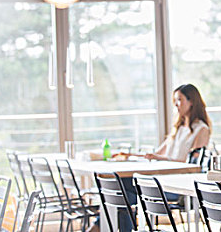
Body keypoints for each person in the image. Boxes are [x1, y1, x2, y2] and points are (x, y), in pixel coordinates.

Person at [87, 84, 211, 232]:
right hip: (159, 180)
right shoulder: (178, 128)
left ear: (192, 102)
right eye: (175, 100)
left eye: (180, 100)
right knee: (121, 191)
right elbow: (156, 154)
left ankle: (96, 227)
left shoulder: (201, 129)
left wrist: (162, 159)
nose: (176, 105)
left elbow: (191, 166)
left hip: (176, 186)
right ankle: (109, 227)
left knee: (120, 188)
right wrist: (129, 155)